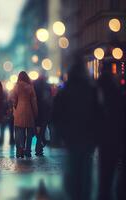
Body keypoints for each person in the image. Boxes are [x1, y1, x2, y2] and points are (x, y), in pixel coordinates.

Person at [52, 59, 101, 200]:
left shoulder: (66, 90)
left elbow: (56, 114)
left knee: (73, 168)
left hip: (71, 137)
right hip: (88, 137)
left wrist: (61, 134)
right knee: (86, 170)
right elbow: (99, 114)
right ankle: (84, 194)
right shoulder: (92, 89)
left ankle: (74, 194)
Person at [97, 64, 124, 200]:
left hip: (104, 134)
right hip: (115, 133)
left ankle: (104, 193)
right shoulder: (116, 89)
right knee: (113, 167)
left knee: (105, 169)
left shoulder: (97, 87)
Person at [11, 71, 38, 158]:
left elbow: (14, 100)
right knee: (29, 133)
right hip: (29, 111)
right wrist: (35, 113)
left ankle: (20, 150)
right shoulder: (30, 87)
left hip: (19, 111)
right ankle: (28, 151)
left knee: (19, 132)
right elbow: (34, 101)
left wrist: (14, 107)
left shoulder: (16, 86)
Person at [33, 73, 52, 156]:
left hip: (36, 111)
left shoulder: (34, 85)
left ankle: (39, 147)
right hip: (44, 111)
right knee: (42, 131)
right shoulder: (47, 86)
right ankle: (39, 147)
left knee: (38, 131)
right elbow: (48, 99)